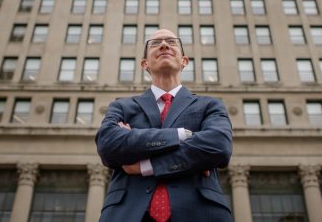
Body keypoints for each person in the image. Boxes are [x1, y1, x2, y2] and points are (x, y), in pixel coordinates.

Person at [95, 28, 233, 222]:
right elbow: (108, 145)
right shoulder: (121, 106)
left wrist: (146, 165)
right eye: (155, 43)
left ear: (184, 61)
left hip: (200, 213)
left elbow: (219, 146)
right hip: (127, 213)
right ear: (145, 63)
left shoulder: (210, 105)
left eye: (171, 41)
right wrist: (182, 135)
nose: (164, 45)